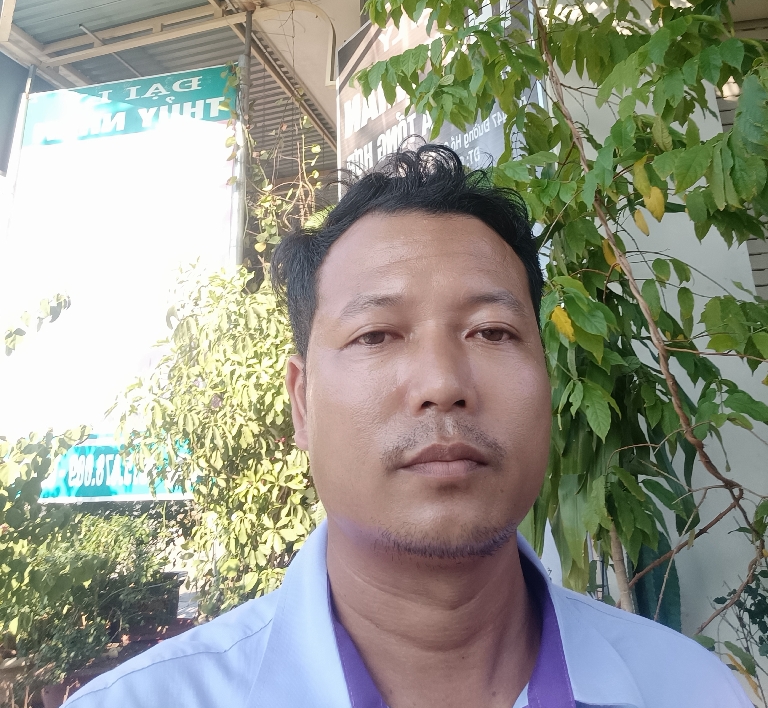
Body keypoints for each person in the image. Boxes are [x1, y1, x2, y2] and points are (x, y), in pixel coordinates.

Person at [68, 144, 749, 707]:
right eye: (376, 335)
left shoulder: (693, 691)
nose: (442, 383)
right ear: (302, 403)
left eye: (492, 331)